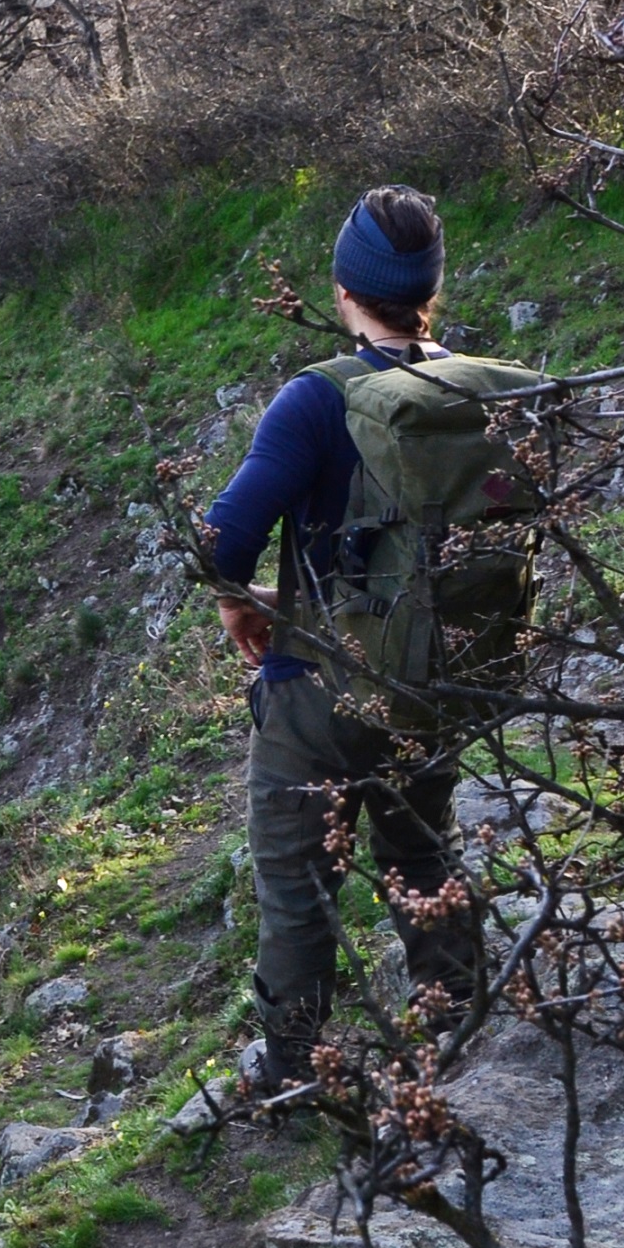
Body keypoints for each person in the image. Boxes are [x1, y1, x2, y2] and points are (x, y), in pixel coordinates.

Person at [197, 185, 492, 1090]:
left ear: (343, 288)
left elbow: (222, 542)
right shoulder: (473, 388)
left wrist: (238, 600)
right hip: (438, 681)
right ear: (430, 288)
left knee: (298, 892)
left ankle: (297, 1075)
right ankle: (459, 1035)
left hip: (322, 696)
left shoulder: (315, 401)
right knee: (421, 850)